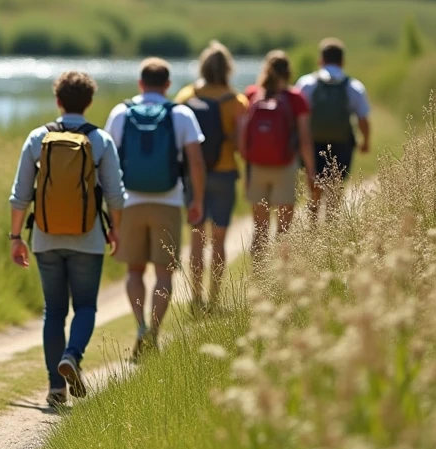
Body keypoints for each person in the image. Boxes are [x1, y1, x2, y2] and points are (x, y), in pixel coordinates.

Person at [9, 71, 126, 408]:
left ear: (58, 100)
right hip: (88, 238)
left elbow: (20, 196)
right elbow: (116, 196)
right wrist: (115, 229)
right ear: (88, 102)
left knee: (54, 311)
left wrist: (16, 236)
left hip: (45, 237)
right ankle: (73, 355)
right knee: (85, 305)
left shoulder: (36, 138)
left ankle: (56, 388)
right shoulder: (100, 139)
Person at [105, 58, 206, 359]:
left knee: (134, 271)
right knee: (164, 273)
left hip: (129, 202)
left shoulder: (121, 112)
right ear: (167, 85)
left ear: (140, 83)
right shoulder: (181, 114)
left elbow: (108, 161)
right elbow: (196, 163)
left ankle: (139, 326)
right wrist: (197, 200)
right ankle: (154, 334)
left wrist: (111, 207)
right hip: (168, 202)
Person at [175, 41, 249, 312]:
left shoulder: (185, 96)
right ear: (228, 69)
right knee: (219, 239)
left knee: (196, 237)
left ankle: (195, 298)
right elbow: (242, 146)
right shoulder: (237, 101)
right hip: (225, 173)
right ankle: (214, 299)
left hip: (194, 177)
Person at [239, 51, 314, 253]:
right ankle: (280, 279)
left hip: (256, 166)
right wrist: (311, 170)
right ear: (288, 72)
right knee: (284, 230)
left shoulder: (252, 94)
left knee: (260, 229)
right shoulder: (296, 98)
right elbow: (305, 139)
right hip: (286, 166)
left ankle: (258, 278)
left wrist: (247, 157)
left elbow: (242, 132)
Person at [294, 38, 371, 220]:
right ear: (342, 61)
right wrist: (365, 141)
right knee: (336, 186)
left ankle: (312, 225)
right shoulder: (354, 86)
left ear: (321, 60)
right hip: (342, 143)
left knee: (314, 184)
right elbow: (362, 118)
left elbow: (296, 116)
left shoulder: (306, 83)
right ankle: (331, 225)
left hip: (313, 142)